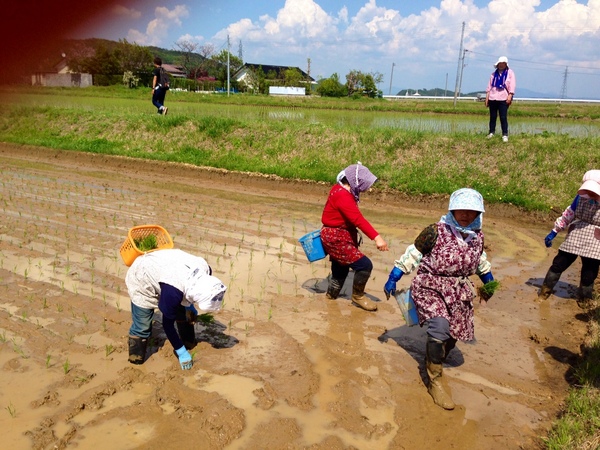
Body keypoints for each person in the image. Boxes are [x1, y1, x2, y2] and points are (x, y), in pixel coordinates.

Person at [383, 188, 496, 410]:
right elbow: (413, 254)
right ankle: (434, 379)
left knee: (454, 333)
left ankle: (435, 356)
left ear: (478, 214)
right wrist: (394, 276)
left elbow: (481, 263)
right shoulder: (435, 232)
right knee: (440, 326)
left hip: (459, 291)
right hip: (430, 286)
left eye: (471, 211)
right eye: (460, 210)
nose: (465, 214)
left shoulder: (477, 238)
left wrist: (489, 282)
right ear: (452, 210)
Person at [125, 248, 227, 370]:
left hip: (169, 270)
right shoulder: (173, 292)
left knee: (183, 311)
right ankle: (135, 360)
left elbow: (187, 294)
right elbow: (167, 325)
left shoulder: (205, 269)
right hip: (142, 276)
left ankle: (188, 342)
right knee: (143, 324)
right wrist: (181, 351)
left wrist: (189, 306)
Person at [320, 162, 389, 311]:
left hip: (336, 234)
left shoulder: (339, 189)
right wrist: (377, 238)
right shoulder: (343, 196)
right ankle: (358, 296)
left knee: (341, 267)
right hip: (336, 237)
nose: (367, 189)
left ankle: (331, 297)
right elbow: (358, 220)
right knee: (365, 265)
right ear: (356, 183)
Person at [539, 170, 600, 308]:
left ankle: (584, 300)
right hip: (575, 235)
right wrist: (554, 231)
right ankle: (544, 291)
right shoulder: (579, 199)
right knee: (559, 263)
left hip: (596, 240)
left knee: (589, 272)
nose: (590, 194)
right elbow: (568, 214)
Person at [485, 56, 516, 142]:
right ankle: (491, 132)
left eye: (503, 64)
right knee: (492, 116)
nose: (501, 65)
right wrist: (487, 98)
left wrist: (510, 95)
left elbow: (512, 85)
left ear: (506, 64)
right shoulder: (493, 74)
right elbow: (489, 87)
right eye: (500, 64)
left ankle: (505, 134)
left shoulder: (510, 73)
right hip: (493, 97)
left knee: (503, 117)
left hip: (503, 98)